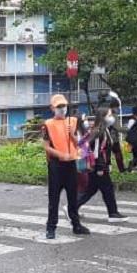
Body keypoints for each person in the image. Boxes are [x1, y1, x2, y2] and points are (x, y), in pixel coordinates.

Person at [42, 94, 91, 240]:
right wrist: (59, 154)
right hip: (56, 165)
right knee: (54, 198)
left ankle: (76, 225)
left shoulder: (74, 121)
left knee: (73, 197)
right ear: (52, 108)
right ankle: (51, 228)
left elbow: (82, 144)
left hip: (71, 164)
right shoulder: (47, 124)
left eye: (64, 106)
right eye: (58, 106)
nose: (62, 109)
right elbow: (45, 146)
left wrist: (71, 134)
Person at [75, 106, 128, 222]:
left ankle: (72, 208)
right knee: (107, 189)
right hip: (99, 167)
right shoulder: (99, 131)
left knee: (91, 190)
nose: (112, 118)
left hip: (98, 167)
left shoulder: (104, 130)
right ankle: (113, 213)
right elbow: (97, 152)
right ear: (103, 117)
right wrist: (100, 167)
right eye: (109, 115)